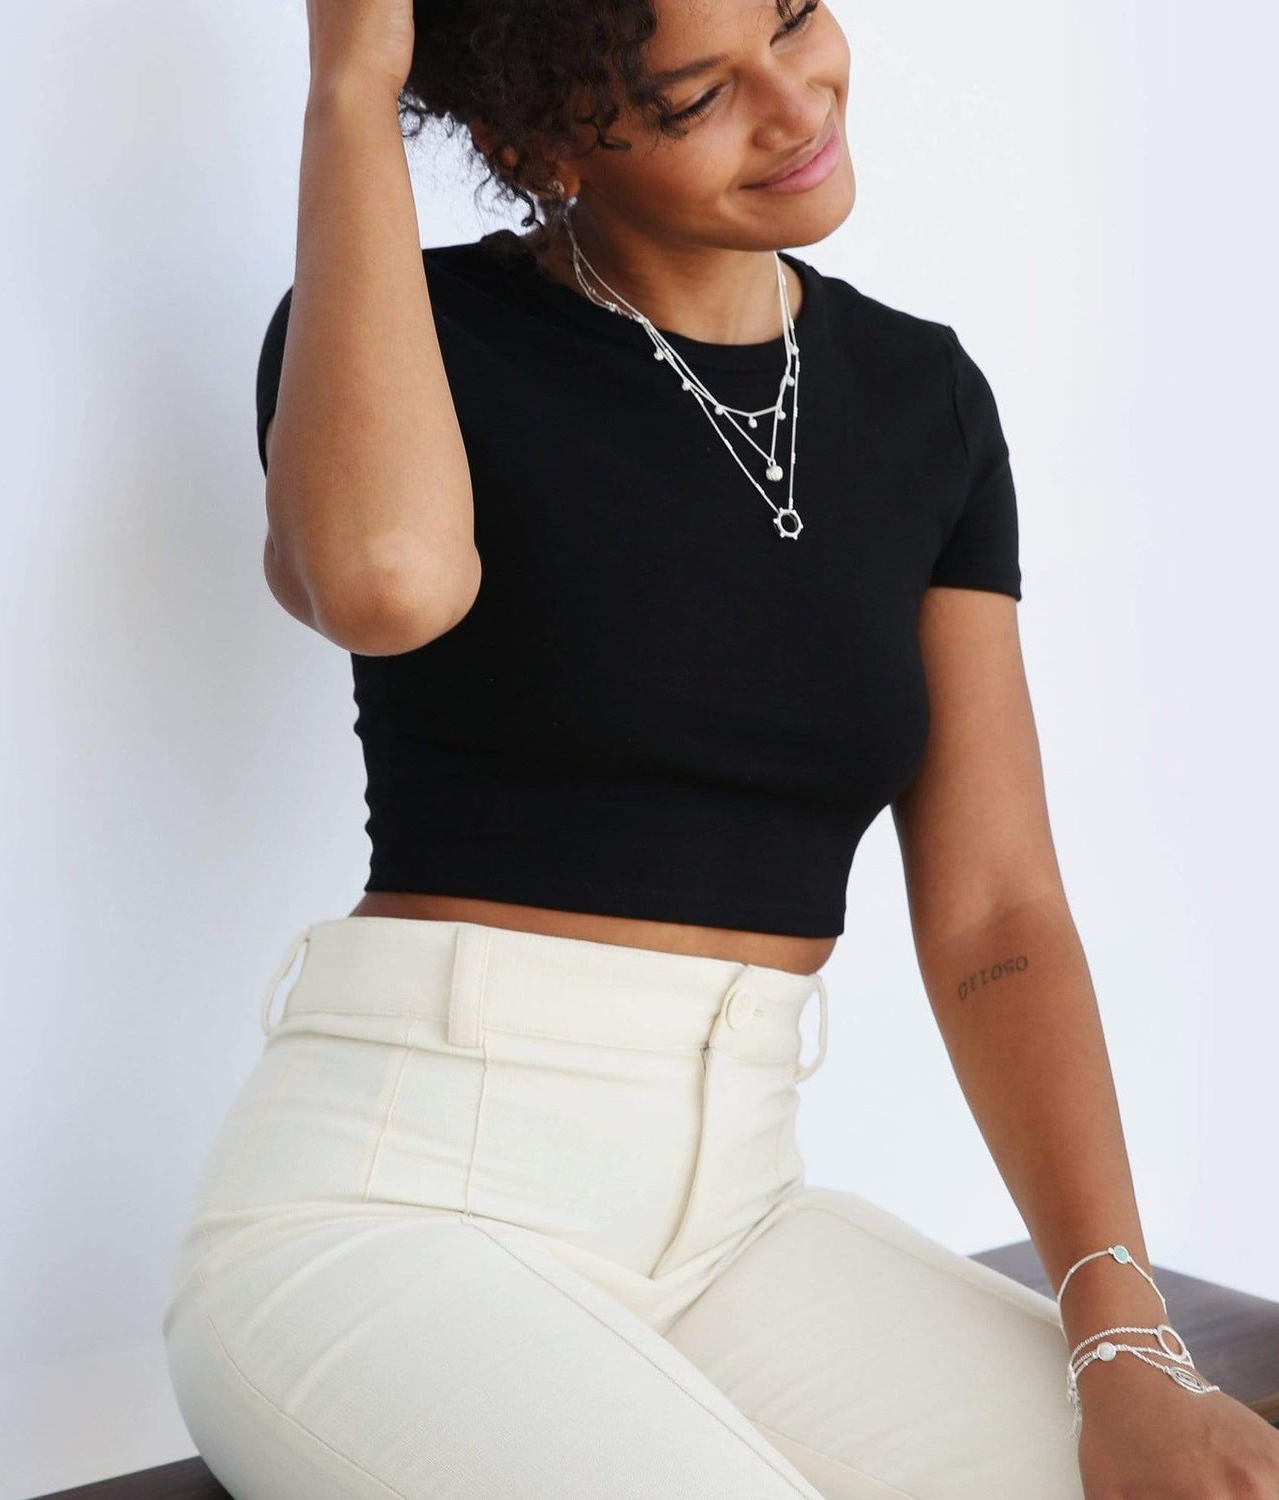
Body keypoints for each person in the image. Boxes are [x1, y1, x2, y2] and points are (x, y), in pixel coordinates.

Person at [162, 1, 1279, 1496]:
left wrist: (1123, 1334)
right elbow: (381, 582)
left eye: (794, 16)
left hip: (739, 1225)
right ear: (537, 144)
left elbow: (998, 914)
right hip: (396, 1210)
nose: (795, 101)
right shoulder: (406, 332)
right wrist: (350, 84)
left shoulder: (925, 400)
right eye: (696, 95)